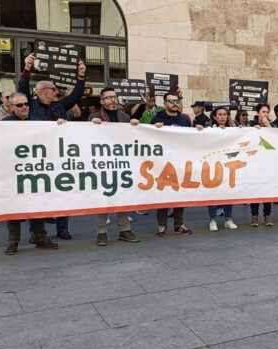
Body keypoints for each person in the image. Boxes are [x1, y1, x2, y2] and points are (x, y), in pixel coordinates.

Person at [18, 52, 86, 240]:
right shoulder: (29, 105)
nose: (56, 91)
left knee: (63, 192)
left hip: (58, 156)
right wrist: (27, 68)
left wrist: (81, 75)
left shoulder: (60, 106)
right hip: (37, 157)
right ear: (42, 91)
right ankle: (35, 232)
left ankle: (62, 228)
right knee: (36, 194)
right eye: (53, 88)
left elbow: (77, 94)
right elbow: (22, 89)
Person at [0, 92, 59, 254]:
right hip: (13, 173)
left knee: (36, 204)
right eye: (19, 105)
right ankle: (13, 241)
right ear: (11, 107)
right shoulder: (4, 124)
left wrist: (59, 127)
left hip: (34, 171)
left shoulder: (37, 122)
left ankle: (41, 238)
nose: (24, 107)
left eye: (26, 104)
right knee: (13, 207)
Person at [89, 86, 141, 246]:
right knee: (102, 198)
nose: (113, 100)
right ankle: (101, 232)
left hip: (121, 164)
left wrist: (135, 126)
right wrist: (92, 125)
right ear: (102, 101)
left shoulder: (125, 117)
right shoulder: (95, 117)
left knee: (123, 196)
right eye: (109, 97)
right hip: (103, 164)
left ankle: (125, 230)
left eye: (114, 97)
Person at [149, 91, 195, 237]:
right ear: (165, 104)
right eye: (171, 101)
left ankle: (179, 224)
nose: (174, 104)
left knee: (180, 195)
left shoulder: (185, 120)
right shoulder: (156, 119)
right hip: (162, 164)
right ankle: (161, 226)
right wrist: (154, 129)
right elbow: (148, 138)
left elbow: (192, 139)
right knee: (163, 195)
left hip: (180, 162)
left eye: (177, 101)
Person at [206, 106, 238, 231]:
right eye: (219, 114)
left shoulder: (233, 130)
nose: (222, 117)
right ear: (214, 117)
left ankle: (228, 219)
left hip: (228, 166)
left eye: (225, 114)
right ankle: (212, 220)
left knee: (228, 193)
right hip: (213, 165)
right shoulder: (209, 130)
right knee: (212, 193)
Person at [249, 102, 274, 226]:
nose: (265, 114)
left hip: (268, 162)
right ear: (257, 113)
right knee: (255, 189)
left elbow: (277, 139)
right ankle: (254, 216)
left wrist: (267, 126)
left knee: (267, 189)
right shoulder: (251, 125)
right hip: (254, 162)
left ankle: (267, 215)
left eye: (267, 112)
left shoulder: (271, 125)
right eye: (263, 112)